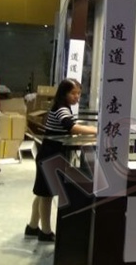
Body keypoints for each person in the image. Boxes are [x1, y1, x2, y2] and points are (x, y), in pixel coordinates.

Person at [25, 78, 97, 242]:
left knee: (42, 193)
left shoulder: (63, 107)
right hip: (50, 155)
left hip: (50, 154)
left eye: (79, 93)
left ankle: (32, 226)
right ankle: (45, 232)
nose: (76, 96)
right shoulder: (61, 108)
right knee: (47, 194)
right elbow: (71, 127)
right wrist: (95, 130)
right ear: (64, 94)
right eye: (73, 93)